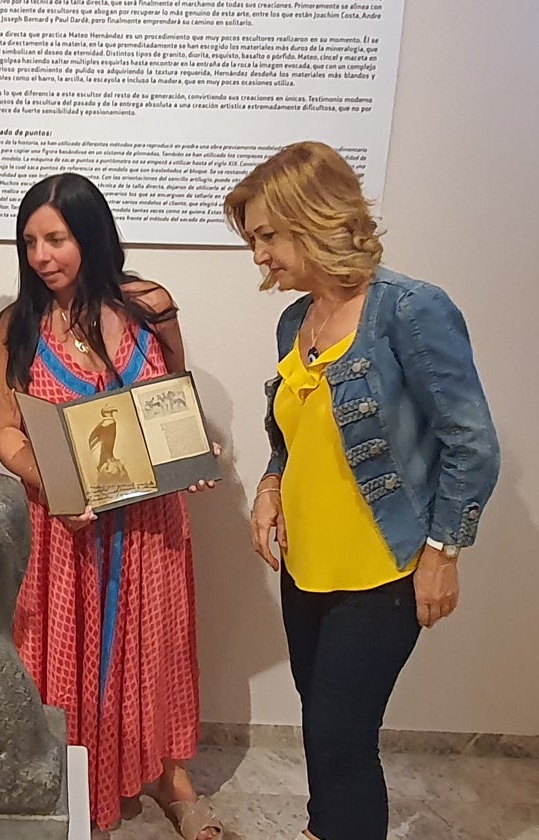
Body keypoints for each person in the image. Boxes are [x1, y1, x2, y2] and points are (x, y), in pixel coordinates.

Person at [225, 141, 499, 840]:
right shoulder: (296, 320)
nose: (258, 255)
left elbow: (471, 442)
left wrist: (444, 551)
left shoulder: (409, 311)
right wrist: (269, 484)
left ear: (311, 217)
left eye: (265, 236)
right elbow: (294, 432)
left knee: (342, 739)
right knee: (325, 727)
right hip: (308, 566)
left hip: (382, 570)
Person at [0, 173, 221, 839]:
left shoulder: (151, 305)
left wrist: (194, 445)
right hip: (64, 529)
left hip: (147, 524)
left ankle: (172, 777)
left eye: (55, 239)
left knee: (156, 648)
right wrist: (55, 487)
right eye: (30, 242)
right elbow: (5, 432)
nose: (41, 256)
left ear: (91, 235)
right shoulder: (17, 326)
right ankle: (65, 785)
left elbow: (175, 389)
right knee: (59, 654)